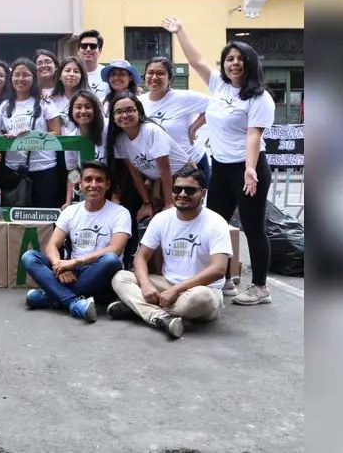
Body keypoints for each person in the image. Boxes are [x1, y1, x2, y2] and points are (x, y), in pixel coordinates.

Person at [163, 17, 276, 305]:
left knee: (253, 227)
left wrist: (249, 169)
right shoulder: (220, 85)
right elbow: (196, 60)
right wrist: (180, 31)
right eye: (229, 59)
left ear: (250, 63)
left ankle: (260, 287)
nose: (234, 63)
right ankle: (223, 280)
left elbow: (253, 135)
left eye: (240, 59)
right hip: (221, 167)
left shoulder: (259, 98)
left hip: (248, 167)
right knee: (215, 224)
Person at [108, 166, 230, 339]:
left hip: (201, 289)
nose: (182, 194)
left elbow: (219, 269)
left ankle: (138, 308)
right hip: (166, 283)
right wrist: (146, 285)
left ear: (203, 193)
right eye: (177, 189)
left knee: (201, 299)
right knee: (120, 277)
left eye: (190, 190)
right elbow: (141, 256)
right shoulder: (162, 218)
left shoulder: (216, 222)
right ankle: (160, 316)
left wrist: (177, 290)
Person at [20, 161, 130, 323]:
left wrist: (75, 262)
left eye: (99, 180)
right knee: (29, 257)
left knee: (111, 260)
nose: (93, 185)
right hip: (72, 272)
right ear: (80, 184)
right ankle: (74, 303)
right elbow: (51, 245)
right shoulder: (71, 211)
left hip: (100, 273)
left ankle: (53, 297)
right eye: (88, 179)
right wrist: (59, 267)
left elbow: (115, 249)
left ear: (107, 185)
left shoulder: (120, 213)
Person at [0, 58, 62, 208]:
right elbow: (0, 134)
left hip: (44, 167)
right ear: (11, 78)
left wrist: (32, 136)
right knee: (15, 216)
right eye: (17, 75)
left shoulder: (45, 102)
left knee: (45, 214)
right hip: (14, 170)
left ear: (34, 77)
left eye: (25, 75)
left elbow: (57, 133)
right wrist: (6, 138)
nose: (20, 79)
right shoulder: (4, 106)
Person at [139, 58, 212, 184]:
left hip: (192, 165)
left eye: (160, 73)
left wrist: (194, 127)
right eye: (150, 73)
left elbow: (216, 104)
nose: (154, 77)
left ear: (170, 79)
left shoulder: (183, 97)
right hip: (161, 169)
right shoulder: (139, 102)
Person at [63, 90, 107, 208]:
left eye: (88, 107)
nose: (83, 111)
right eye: (78, 107)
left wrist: (116, 197)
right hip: (91, 190)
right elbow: (73, 171)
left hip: (111, 188)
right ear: (71, 111)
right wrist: (68, 201)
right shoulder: (71, 139)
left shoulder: (108, 129)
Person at [77, 30, 110, 99]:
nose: (88, 49)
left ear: (100, 50)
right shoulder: (70, 74)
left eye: (93, 46)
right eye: (84, 46)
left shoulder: (108, 74)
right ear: (78, 51)